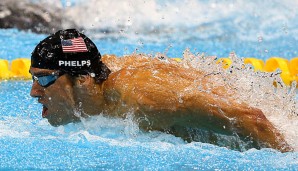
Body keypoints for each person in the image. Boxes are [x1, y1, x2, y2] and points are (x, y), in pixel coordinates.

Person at [29, 29, 292, 152]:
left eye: (43, 80)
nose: (34, 92)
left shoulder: (141, 99)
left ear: (82, 80)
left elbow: (253, 120)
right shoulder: (97, 80)